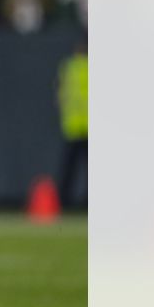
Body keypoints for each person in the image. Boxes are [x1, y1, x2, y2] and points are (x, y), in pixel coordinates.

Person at [56, 38, 88, 209]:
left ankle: (63, 202)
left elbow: (60, 96)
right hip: (86, 126)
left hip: (73, 126)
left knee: (70, 169)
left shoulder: (69, 67)